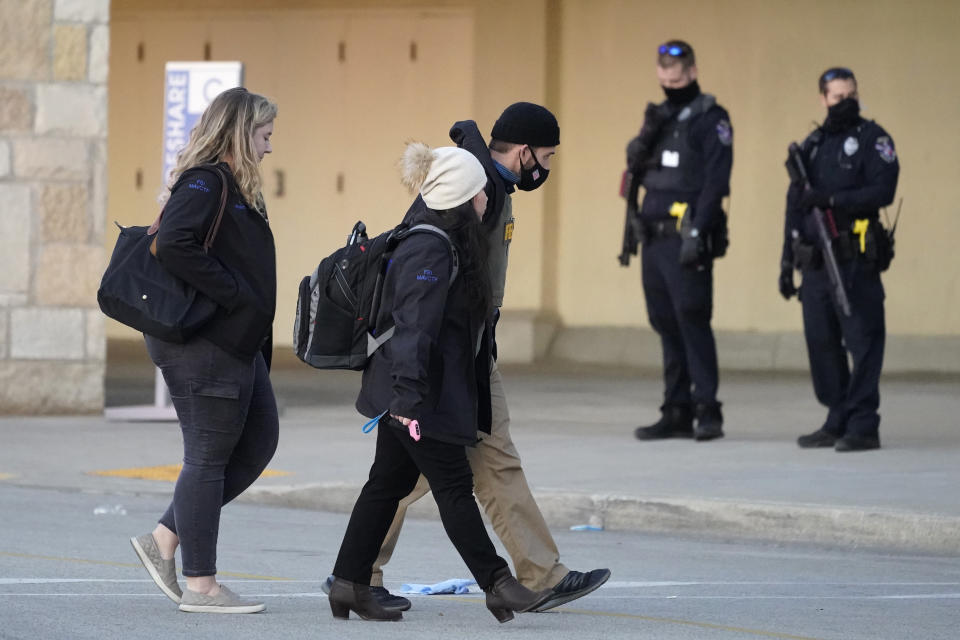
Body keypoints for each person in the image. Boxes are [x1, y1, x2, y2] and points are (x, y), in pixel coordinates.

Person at [323, 103, 610, 613]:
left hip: (456, 357)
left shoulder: (481, 184)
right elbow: (418, 312)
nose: (546, 167)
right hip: (441, 364)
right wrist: (412, 392)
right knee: (435, 474)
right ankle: (502, 582)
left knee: (421, 472)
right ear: (524, 152)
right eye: (545, 156)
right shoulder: (469, 194)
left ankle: (357, 575)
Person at [129, 87, 279, 614]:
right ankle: (201, 585)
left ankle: (165, 536)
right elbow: (173, 243)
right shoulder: (206, 182)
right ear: (240, 134)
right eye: (263, 136)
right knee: (209, 456)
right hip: (203, 343)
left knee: (259, 439)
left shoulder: (233, 188)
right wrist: (235, 295)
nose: (268, 148)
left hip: (236, 343)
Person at [779, 67, 899, 452]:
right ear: (823, 99)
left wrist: (832, 200)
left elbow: (883, 190)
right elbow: (794, 206)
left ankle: (863, 424)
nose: (845, 102)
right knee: (822, 341)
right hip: (815, 264)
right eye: (837, 97)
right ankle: (837, 417)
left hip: (854, 259)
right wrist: (786, 261)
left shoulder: (872, 139)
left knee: (863, 340)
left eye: (851, 95)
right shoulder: (812, 145)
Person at [625, 40, 732, 442]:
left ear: (692, 72)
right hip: (653, 240)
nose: (671, 84)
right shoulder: (660, 118)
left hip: (688, 237)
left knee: (692, 319)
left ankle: (707, 411)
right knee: (665, 323)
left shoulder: (711, 118)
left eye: (679, 78)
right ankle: (676, 410)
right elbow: (636, 167)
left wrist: (699, 232)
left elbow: (715, 183)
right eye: (665, 79)